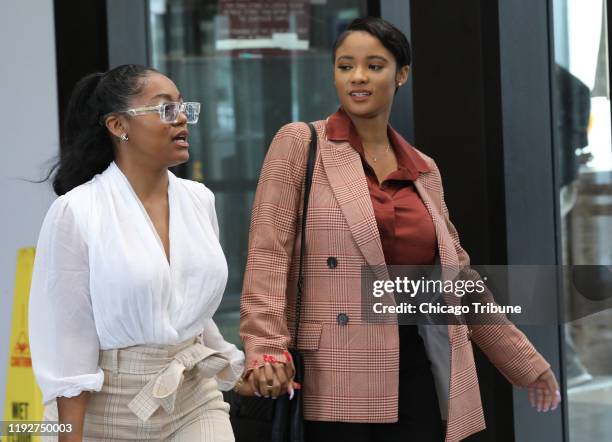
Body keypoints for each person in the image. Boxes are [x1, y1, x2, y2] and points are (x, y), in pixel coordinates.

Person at [238, 17, 561, 441]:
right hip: (331, 370)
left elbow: (459, 283)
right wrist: (264, 349)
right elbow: (268, 254)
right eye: (344, 65)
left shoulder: (424, 169)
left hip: (416, 363)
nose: (357, 77)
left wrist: (525, 363)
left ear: (401, 74)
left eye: (374, 65)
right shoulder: (301, 143)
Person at [29, 64, 244, 441]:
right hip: (107, 409)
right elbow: (68, 339)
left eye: (183, 107)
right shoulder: (77, 211)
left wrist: (231, 361)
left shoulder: (199, 200)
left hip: (193, 397)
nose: (181, 119)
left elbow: (183, 304)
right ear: (118, 125)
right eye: (164, 109)